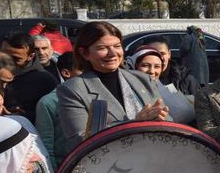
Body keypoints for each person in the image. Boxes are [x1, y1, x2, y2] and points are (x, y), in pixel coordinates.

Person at [57, 22, 170, 151]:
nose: (112, 53)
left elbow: (168, 120)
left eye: (117, 46)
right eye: (102, 48)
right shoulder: (73, 89)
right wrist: (134, 124)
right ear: (84, 53)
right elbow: (80, 140)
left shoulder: (142, 79)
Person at [35, 52, 81, 169]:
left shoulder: (98, 95)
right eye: (83, 70)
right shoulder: (48, 103)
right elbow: (46, 145)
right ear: (66, 73)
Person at [127, 45, 195, 124]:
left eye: (157, 66)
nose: (152, 71)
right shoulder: (125, 91)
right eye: (145, 65)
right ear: (134, 66)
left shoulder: (169, 87)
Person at [1, 33, 58, 124]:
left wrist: (22, 115)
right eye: (4, 56)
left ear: (30, 56)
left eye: (15, 59)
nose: (7, 62)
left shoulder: (45, 80)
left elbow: (54, 116)